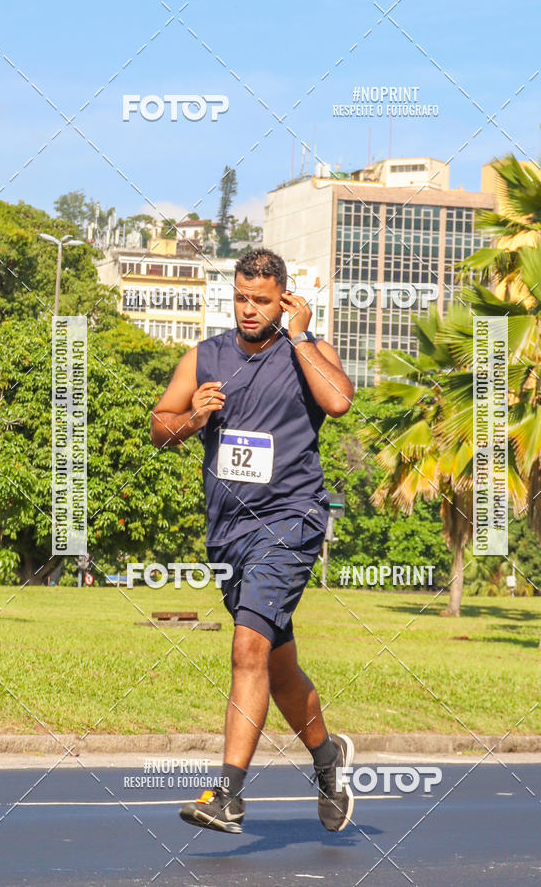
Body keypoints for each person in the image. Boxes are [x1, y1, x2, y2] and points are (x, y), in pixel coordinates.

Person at [150, 248, 355, 834]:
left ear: (283, 299)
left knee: (246, 649)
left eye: (261, 300)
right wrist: (193, 418)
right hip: (229, 537)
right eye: (241, 298)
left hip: (290, 525)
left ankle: (228, 795)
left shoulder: (306, 351)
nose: (248, 309)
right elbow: (160, 425)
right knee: (278, 669)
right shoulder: (206, 356)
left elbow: (337, 401)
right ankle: (327, 758)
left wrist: (302, 334)